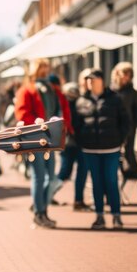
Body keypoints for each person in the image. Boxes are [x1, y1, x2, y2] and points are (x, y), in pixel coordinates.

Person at [15, 58, 70, 228]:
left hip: (50, 138)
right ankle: (39, 213)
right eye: (41, 66)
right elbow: (22, 114)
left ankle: (42, 210)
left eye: (46, 66)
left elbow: (61, 108)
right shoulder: (27, 89)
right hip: (35, 137)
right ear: (34, 69)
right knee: (39, 177)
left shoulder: (52, 89)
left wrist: (62, 127)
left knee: (51, 177)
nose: (45, 70)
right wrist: (41, 125)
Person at [74, 68, 130, 230]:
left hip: (111, 149)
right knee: (96, 183)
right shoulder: (81, 101)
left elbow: (125, 122)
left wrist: (120, 140)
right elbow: (76, 125)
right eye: (88, 79)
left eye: (93, 79)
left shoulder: (115, 99)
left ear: (101, 81)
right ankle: (99, 216)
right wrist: (82, 141)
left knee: (111, 181)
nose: (90, 82)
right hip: (90, 150)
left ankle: (116, 216)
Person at [53, 81, 92, 211]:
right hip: (72, 143)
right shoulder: (67, 105)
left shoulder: (67, 104)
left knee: (69, 172)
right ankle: (46, 196)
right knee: (69, 172)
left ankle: (77, 200)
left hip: (72, 143)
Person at [111, 62, 137, 175]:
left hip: (128, 126)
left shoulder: (132, 92)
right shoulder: (111, 91)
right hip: (113, 125)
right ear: (117, 73)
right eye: (124, 73)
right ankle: (115, 169)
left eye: (129, 74)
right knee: (113, 149)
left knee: (129, 149)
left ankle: (132, 169)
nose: (126, 76)